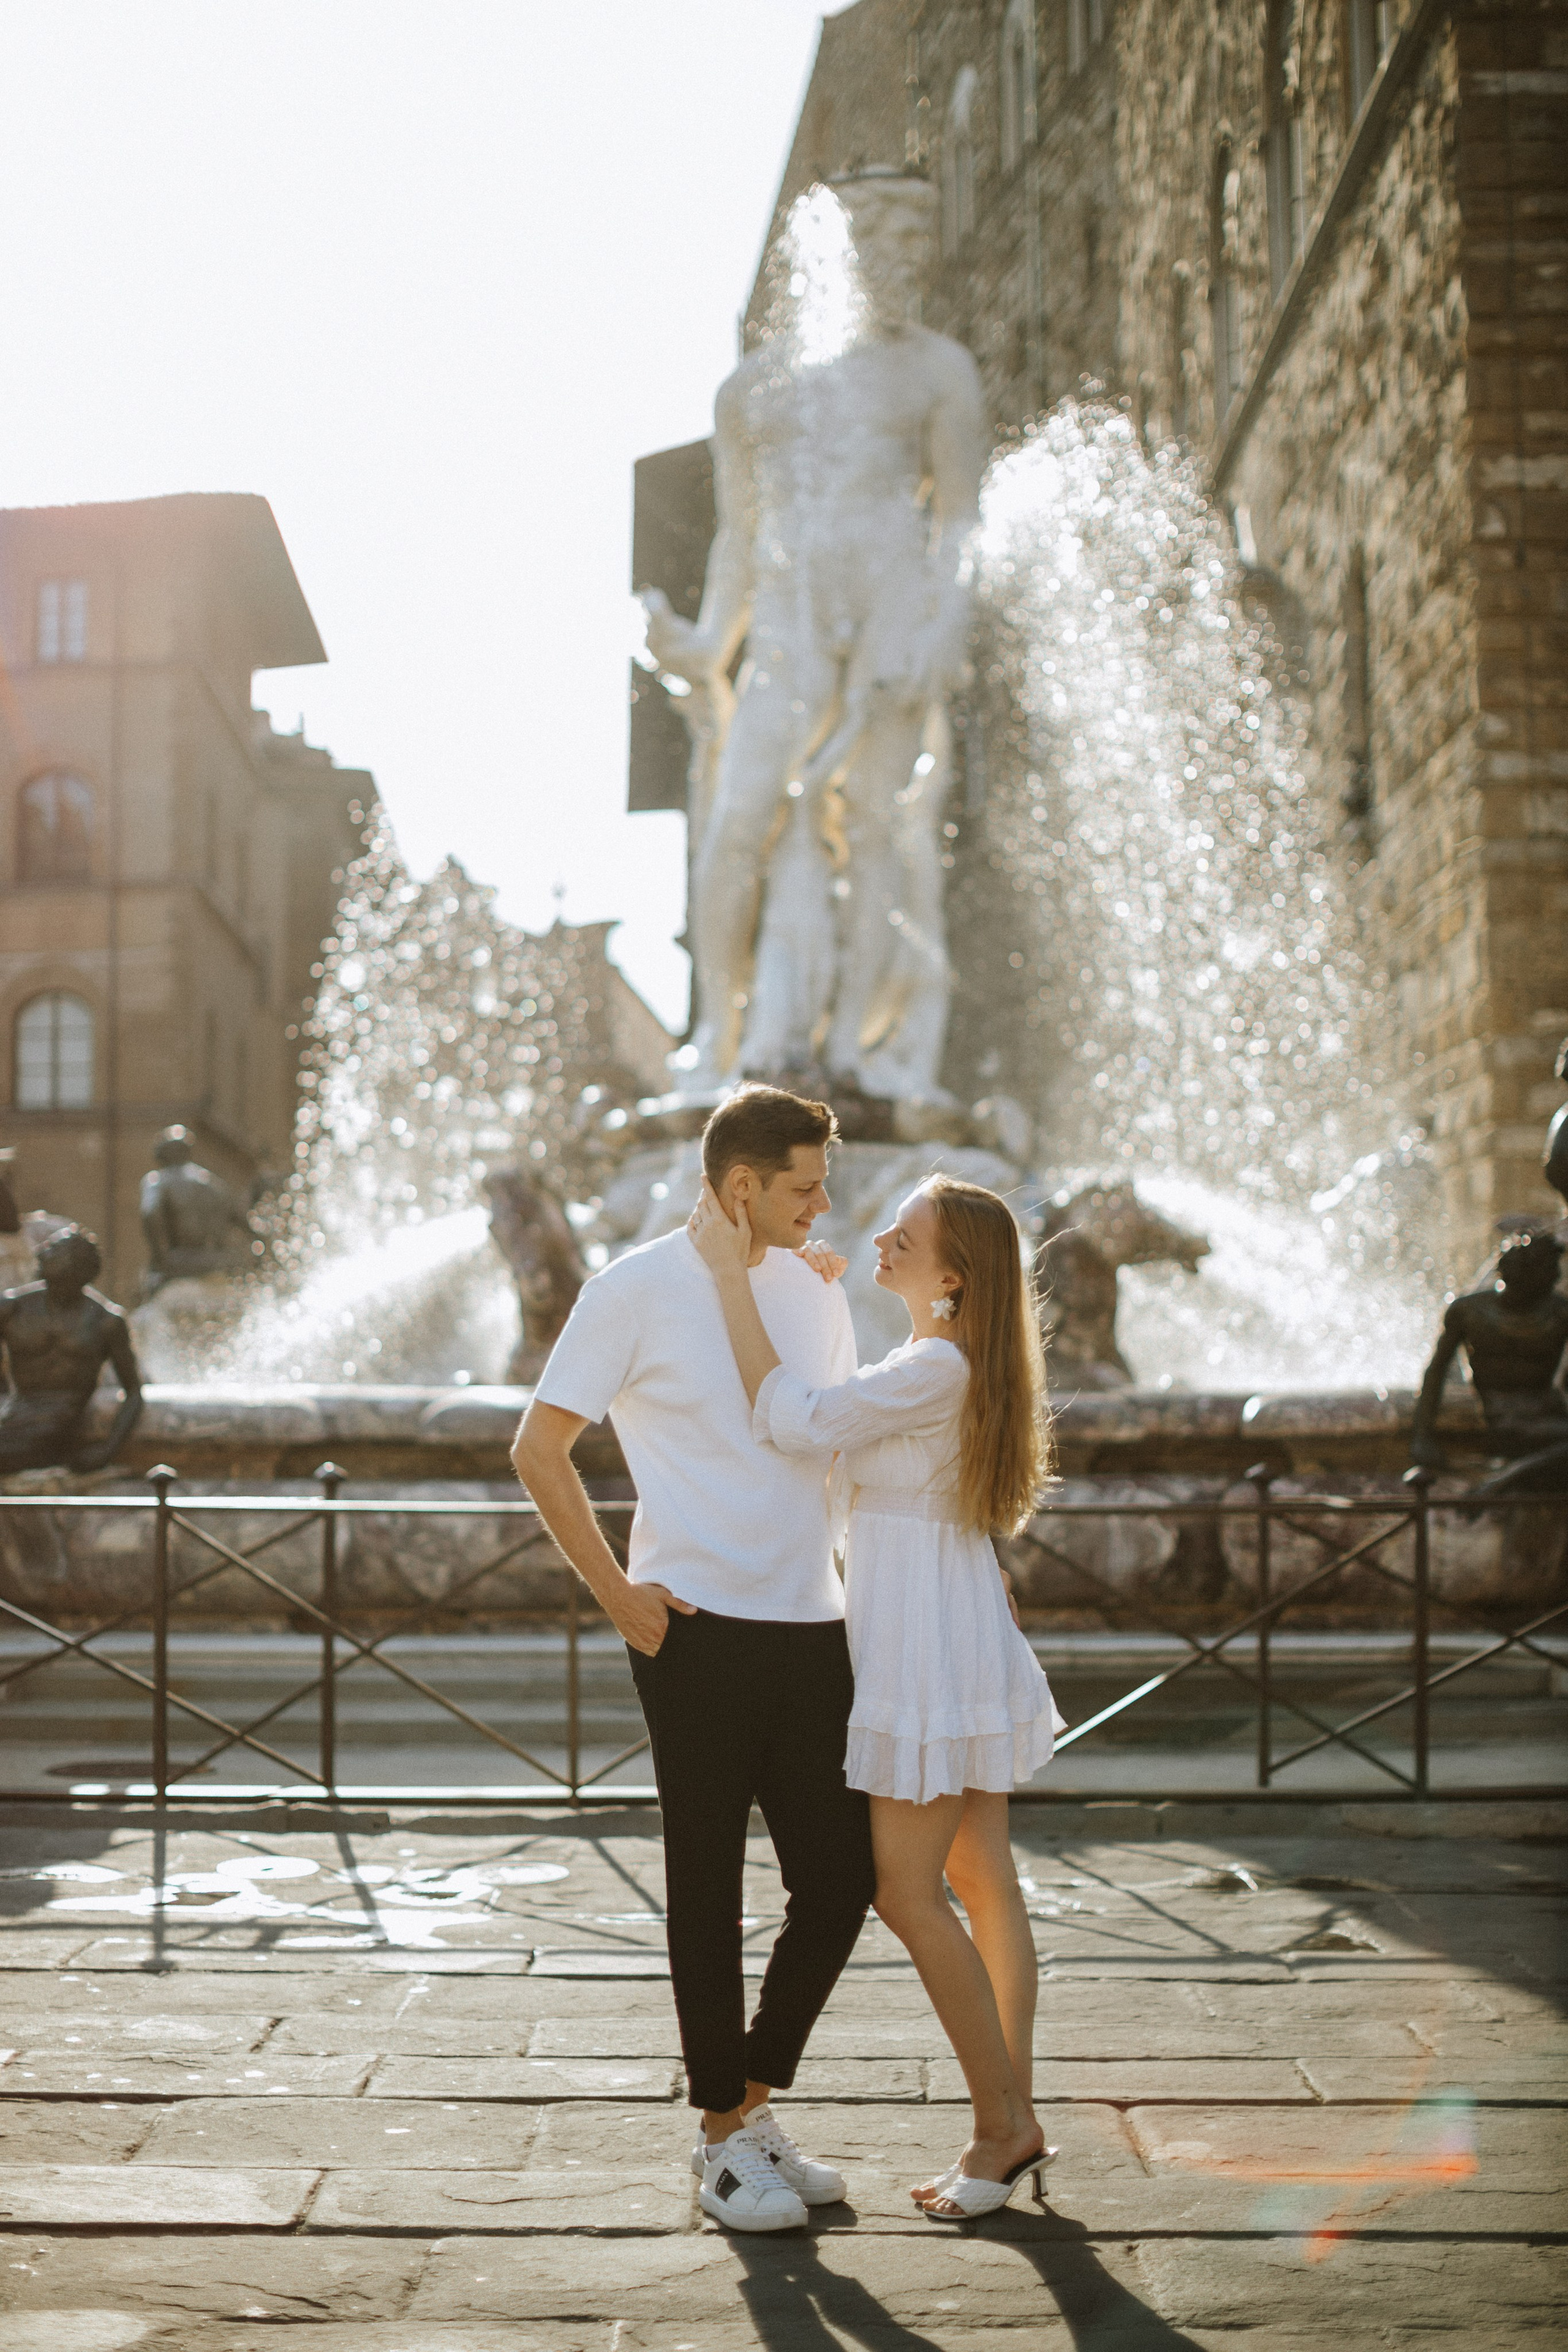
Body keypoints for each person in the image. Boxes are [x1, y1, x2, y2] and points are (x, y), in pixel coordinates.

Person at [512, 1084, 873, 2234]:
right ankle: (723, 2146)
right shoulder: (630, 1289)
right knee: (705, 1889)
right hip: (697, 1629)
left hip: (819, 1627)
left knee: (842, 1880)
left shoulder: (813, 1286)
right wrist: (617, 1595)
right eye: (805, 1187)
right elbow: (539, 1447)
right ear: (738, 1187)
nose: (826, 1204)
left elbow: (829, 1443)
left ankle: (743, 2103)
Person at [689, 1169, 1064, 2222]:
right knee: (983, 1880)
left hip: (920, 1643)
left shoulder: (938, 1364)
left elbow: (801, 1422)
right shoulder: (940, 1361)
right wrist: (816, 1300)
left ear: (954, 1274)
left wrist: (738, 1288)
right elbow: (871, 1434)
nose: (879, 1238)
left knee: (907, 1895)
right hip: (944, 1624)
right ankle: (1012, 2112)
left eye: (906, 1234)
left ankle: (1003, 2125)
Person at [646, 170, 986, 1098]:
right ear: (848, 251)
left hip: (889, 613)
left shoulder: (935, 370)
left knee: (878, 828)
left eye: (922, 251)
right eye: (895, 249)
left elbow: (960, 521)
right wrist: (707, 642)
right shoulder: (754, 390)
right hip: (790, 625)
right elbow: (738, 536)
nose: (912, 267)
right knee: (736, 827)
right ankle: (718, 1031)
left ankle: (852, 1056)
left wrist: (935, 631)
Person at [1409, 1230, 1568, 1498]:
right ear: (1523, 1274)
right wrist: (1422, 1437)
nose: (1557, 1278)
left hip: (1550, 1416)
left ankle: (1502, 1481)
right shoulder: (1469, 1312)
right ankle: (1499, 1484)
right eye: (1548, 1271)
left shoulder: (1560, 1312)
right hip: (1502, 1416)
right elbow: (1435, 1373)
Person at [0, 1224, 144, 1475]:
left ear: (74, 1265)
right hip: (15, 1419)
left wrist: (106, 1451)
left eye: (53, 1249)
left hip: (59, 1428)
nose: (42, 1253)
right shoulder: (11, 1308)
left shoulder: (106, 1321)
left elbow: (134, 1392)